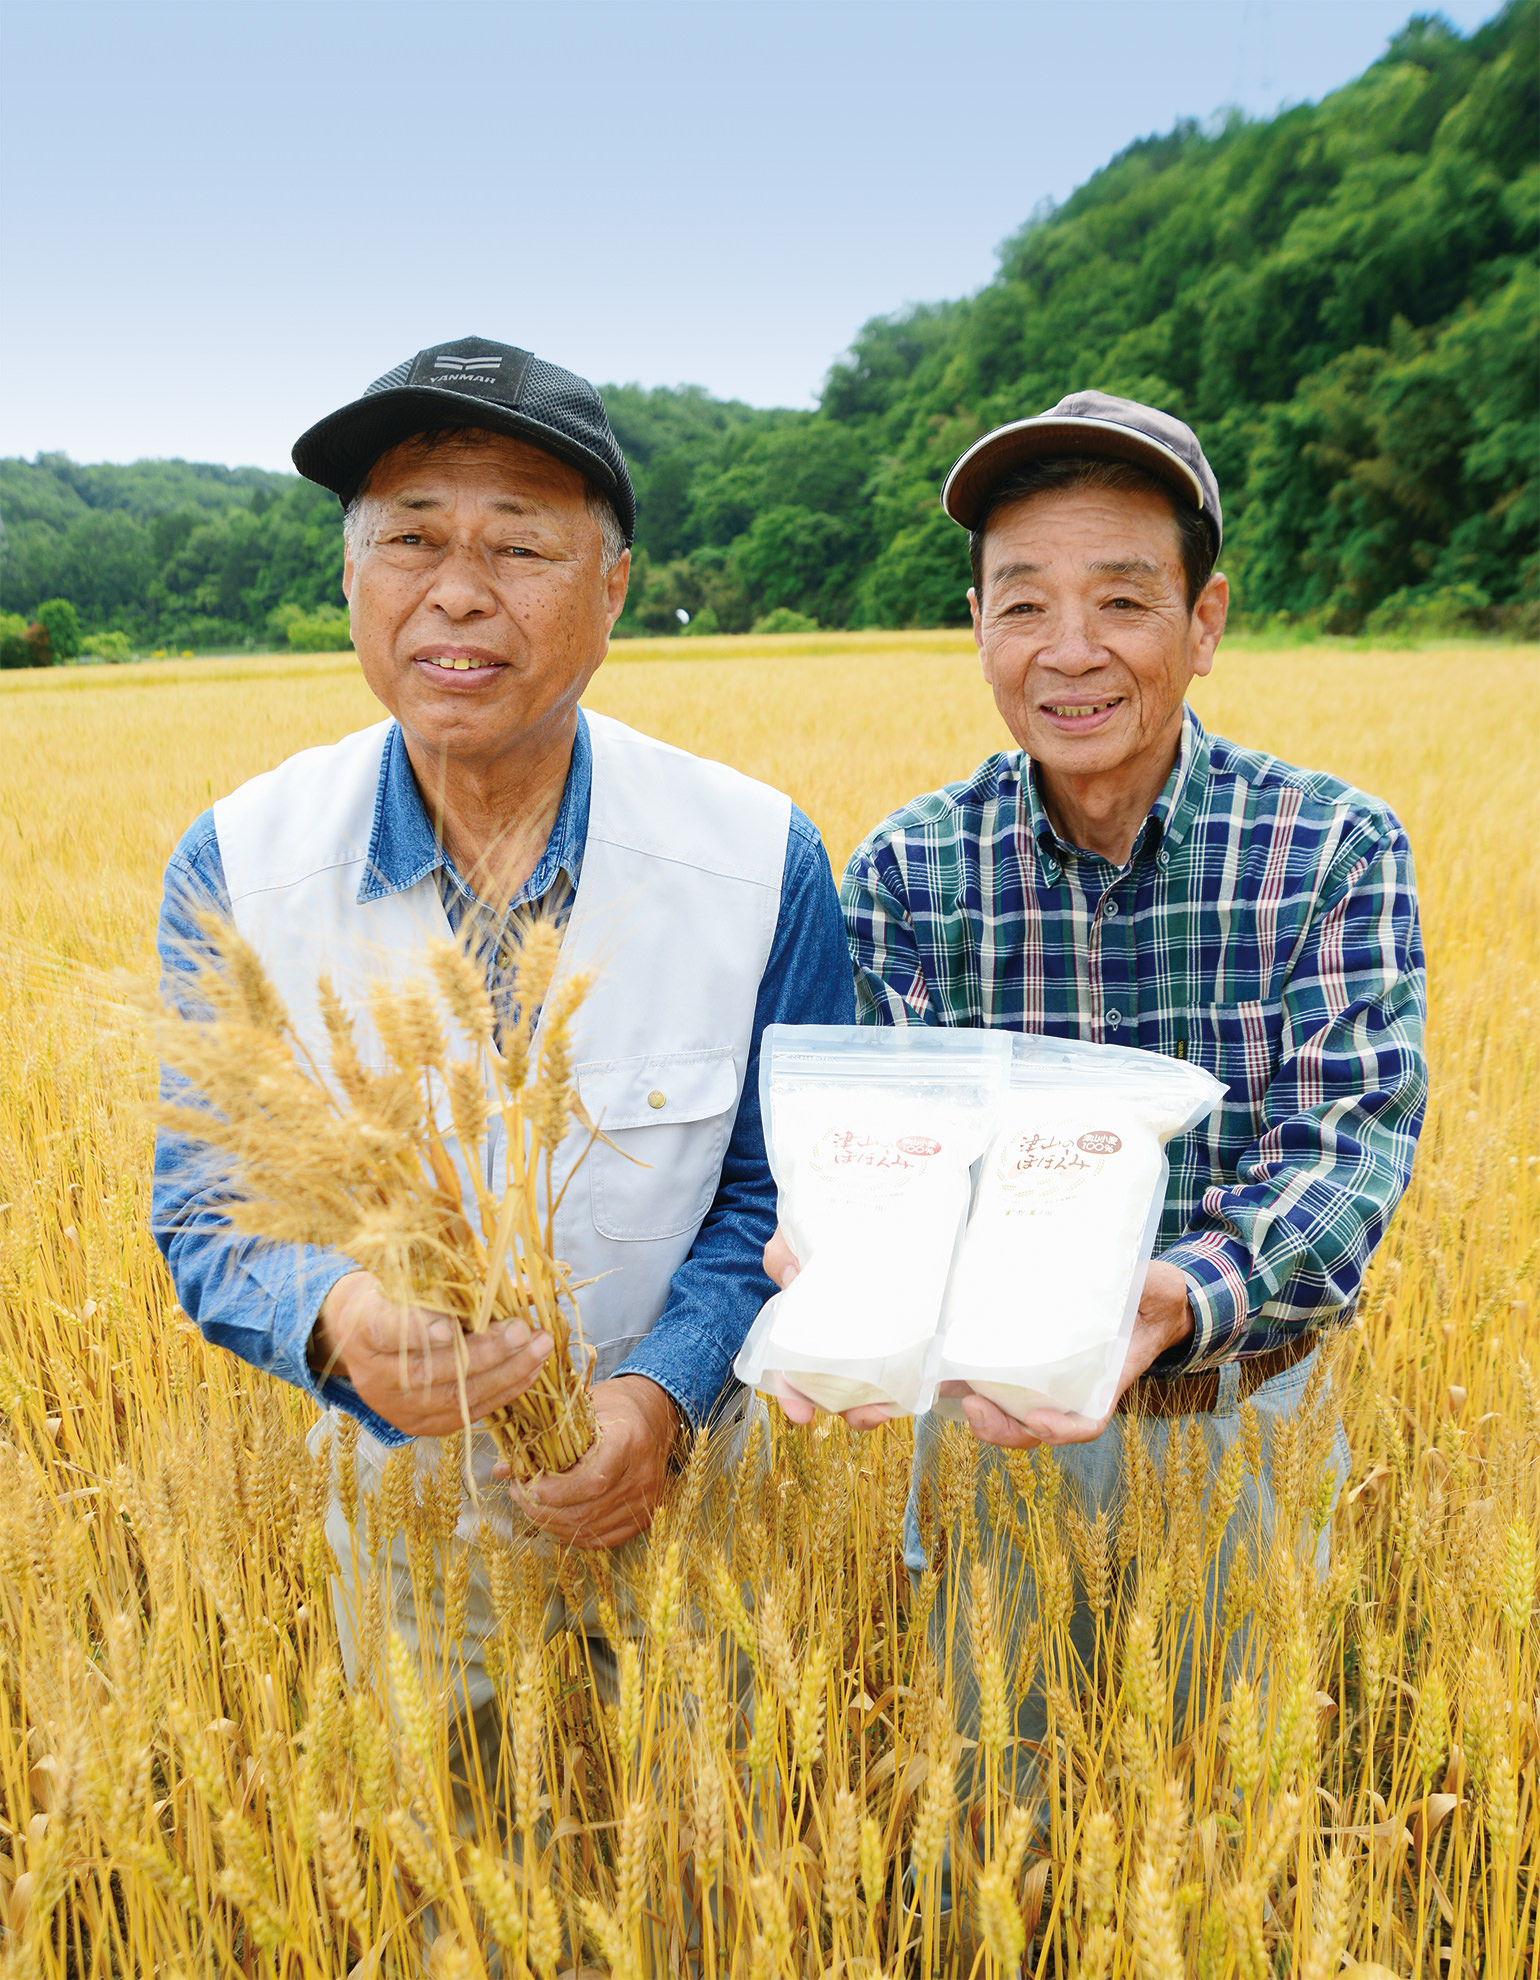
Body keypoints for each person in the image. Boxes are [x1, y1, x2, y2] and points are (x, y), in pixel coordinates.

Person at [152, 335, 855, 1791]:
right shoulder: (240, 864)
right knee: (448, 1892)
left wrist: (658, 1396)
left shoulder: (756, 856)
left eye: (517, 545)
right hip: (412, 1530)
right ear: (353, 580)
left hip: (697, 1516)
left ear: (609, 591)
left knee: (703, 1887)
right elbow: (207, 1208)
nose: (456, 590)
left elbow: (786, 1192)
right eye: (409, 539)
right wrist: (339, 1318)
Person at [768, 389, 1427, 1753]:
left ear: (1207, 622)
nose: (1069, 652)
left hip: (1245, 1422)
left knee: (1243, 1837)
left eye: (1123, 601)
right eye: (1022, 603)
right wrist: (843, 1258)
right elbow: (882, 1145)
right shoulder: (909, 868)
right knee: (1002, 1824)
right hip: (992, 1431)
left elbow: (1346, 1144)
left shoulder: (1332, 849)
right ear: (976, 629)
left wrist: (1170, 1300)